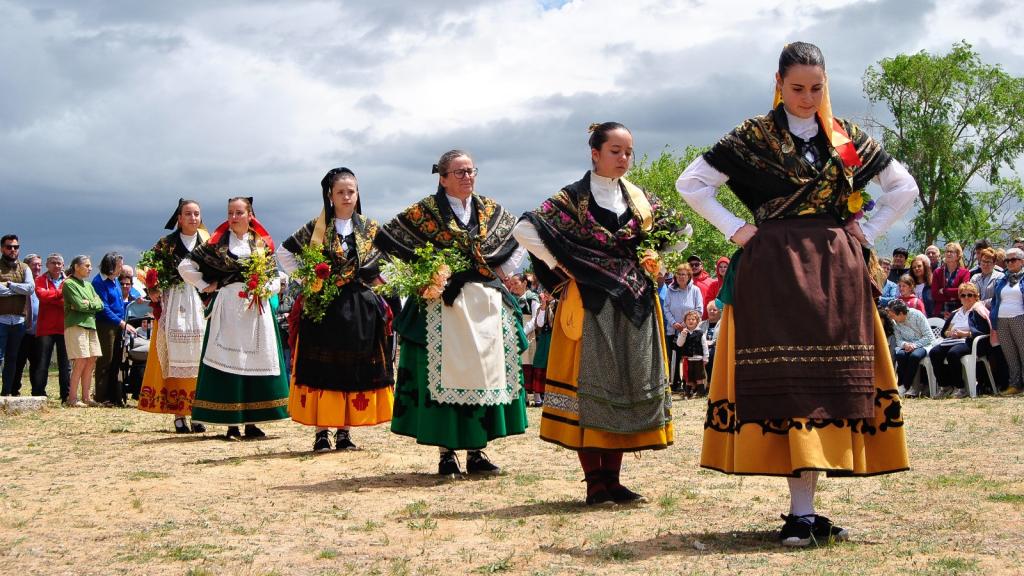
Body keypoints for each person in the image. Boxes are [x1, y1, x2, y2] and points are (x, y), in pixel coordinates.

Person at [676, 42, 916, 546]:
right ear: (779, 84)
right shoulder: (753, 135)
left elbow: (904, 187)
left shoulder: (843, 138)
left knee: (832, 380)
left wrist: (867, 233)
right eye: (797, 88)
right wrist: (737, 230)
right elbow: (691, 183)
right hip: (775, 268)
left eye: (816, 88)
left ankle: (806, 510)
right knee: (787, 379)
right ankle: (801, 511)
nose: (808, 97)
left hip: (838, 269)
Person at [514, 122, 681, 504]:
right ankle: (594, 482)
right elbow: (525, 228)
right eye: (615, 151)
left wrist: (651, 255)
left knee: (623, 382)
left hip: (634, 303)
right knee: (591, 385)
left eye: (628, 152)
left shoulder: (639, 199)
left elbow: (679, 231)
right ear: (595, 153)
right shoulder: (572, 198)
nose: (623, 158)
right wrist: (570, 264)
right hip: (589, 304)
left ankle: (614, 480)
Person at [375, 150, 527, 475]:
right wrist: (418, 281)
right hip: (441, 306)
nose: (468, 177)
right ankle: (446, 453)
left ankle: (476, 450)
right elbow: (386, 242)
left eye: (471, 171)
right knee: (441, 378)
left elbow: (517, 240)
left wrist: (505, 275)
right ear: (442, 178)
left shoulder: (489, 210)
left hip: (483, 304)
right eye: (459, 172)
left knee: (482, 376)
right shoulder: (424, 213)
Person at [278, 168, 394, 452]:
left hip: (359, 307)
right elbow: (284, 252)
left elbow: (390, 262)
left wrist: (377, 284)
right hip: (324, 307)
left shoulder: (370, 228)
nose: (346, 196)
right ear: (330, 195)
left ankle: (344, 431)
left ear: (357, 194)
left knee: (352, 366)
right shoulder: (316, 229)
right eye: (340, 192)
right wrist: (308, 278)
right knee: (321, 366)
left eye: (351, 191)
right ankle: (321, 431)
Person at [178, 197, 290, 440]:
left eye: (239, 212)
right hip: (229, 306)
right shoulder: (217, 243)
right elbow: (185, 267)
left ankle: (252, 422)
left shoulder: (260, 244)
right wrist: (206, 285)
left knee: (255, 362)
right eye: (230, 212)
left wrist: (265, 289)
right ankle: (231, 423)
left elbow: (273, 275)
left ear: (250, 215)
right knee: (230, 360)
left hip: (256, 309)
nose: (234, 217)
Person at [137, 199, 210, 433]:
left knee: (201, 357)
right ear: (179, 218)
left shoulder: (208, 243)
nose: (193, 218)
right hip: (174, 301)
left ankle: (198, 412)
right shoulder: (166, 244)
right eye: (188, 214)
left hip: (200, 302)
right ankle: (179, 413)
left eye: (196, 214)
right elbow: (148, 267)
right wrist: (153, 287)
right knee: (174, 356)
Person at [928, 282, 992, 398]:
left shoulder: (978, 311)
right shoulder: (956, 313)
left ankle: (960, 387)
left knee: (953, 353)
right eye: (963, 295)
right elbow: (945, 332)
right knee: (934, 353)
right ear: (960, 298)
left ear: (976, 297)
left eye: (970, 295)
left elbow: (984, 331)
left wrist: (965, 333)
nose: (966, 298)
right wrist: (950, 333)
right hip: (953, 340)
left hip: (970, 340)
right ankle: (945, 386)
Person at [91, 252, 135, 406]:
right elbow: (104, 307)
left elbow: (118, 302)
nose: (121, 268)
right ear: (111, 266)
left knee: (116, 361)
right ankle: (102, 396)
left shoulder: (115, 281)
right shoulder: (99, 282)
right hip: (106, 325)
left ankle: (114, 395)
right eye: (119, 266)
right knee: (106, 361)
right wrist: (121, 323)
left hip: (117, 323)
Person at [63, 255, 104, 406]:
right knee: (80, 361)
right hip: (76, 324)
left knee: (91, 359)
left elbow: (101, 305)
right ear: (76, 267)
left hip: (90, 325)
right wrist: (89, 304)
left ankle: (86, 397)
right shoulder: (69, 284)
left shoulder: (89, 286)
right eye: (86, 265)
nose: (90, 268)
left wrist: (89, 304)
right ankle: (72, 399)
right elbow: (79, 305)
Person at [34, 253, 71, 402]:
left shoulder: (69, 281)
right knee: (42, 363)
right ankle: (38, 394)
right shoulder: (40, 280)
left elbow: (68, 301)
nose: (56, 266)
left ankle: (66, 395)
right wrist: (61, 294)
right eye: (53, 263)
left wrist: (52, 297)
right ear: (47, 265)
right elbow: (41, 297)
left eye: (59, 263)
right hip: (45, 328)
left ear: (63, 265)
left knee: (65, 365)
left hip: (64, 327)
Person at [662, 263, 703, 392]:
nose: (681, 277)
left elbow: (699, 309)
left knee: (688, 357)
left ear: (689, 276)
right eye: (678, 274)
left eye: (683, 274)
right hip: (673, 329)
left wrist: (686, 324)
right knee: (674, 356)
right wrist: (674, 323)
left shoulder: (695, 290)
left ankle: (690, 383)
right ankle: (674, 383)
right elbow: (666, 308)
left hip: (690, 330)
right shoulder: (670, 289)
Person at [0, 235, 32, 396]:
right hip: (1, 319)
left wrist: (10, 285)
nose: (13, 250)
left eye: (16, 247)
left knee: (13, 359)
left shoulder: (25, 267)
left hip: (18, 321)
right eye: (9, 247)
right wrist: (19, 289)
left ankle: (5, 393)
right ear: (2, 248)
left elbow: (30, 289)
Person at [991, 247, 1024, 395]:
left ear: (1022, 261)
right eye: (1007, 260)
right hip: (1002, 320)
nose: (1010, 263)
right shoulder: (1002, 279)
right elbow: (995, 300)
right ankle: (1015, 385)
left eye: (1013, 259)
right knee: (1010, 354)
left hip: (1019, 318)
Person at [886, 299, 936, 398]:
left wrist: (914, 345)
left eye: (893, 315)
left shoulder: (917, 315)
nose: (892, 318)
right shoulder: (895, 322)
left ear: (900, 313)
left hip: (924, 344)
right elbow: (898, 340)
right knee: (900, 355)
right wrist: (905, 345)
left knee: (914, 356)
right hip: (907, 346)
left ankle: (906, 385)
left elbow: (929, 336)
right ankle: (910, 387)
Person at [507, 274, 542, 406]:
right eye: (512, 284)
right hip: (516, 334)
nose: (513, 286)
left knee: (532, 363)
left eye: (516, 283)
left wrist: (523, 331)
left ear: (524, 283)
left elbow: (535, 317)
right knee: (520, 364)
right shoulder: (511, 298)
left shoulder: (532, 297)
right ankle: (525, 397)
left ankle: (537, 397)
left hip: (529, 334)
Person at [11, 254, 41, 395]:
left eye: (39, 265)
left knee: (37, 364)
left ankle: (37, 391)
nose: (37, 267)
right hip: (22, 330)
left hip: (38, 331)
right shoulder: (22, 284)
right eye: (34, 264)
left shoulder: (42, 283)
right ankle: (13, 389)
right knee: (18, 362)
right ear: (27, 266)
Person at [527, 291, 555, 407]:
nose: (547, 295)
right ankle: (538, 398)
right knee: (539, 364)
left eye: (549, 293)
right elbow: (539, 324)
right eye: (546, 292)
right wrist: (543, 308)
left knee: (552, 366)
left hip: (554, 338)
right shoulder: (542, 307)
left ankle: (551, 396)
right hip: (544, 339)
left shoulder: (558, 304)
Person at [932, 242, 970, 319]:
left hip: (958, 312)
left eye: (951, 252)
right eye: (947, 251)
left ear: (958, 255)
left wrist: (944, 291)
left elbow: (963, 292)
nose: (948, 253)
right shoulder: (937, 272)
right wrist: (952, 297)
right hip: (940, 312)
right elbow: (935, 294)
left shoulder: (965, 273)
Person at [676, 309, 708, 397]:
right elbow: (679, 344)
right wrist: (683, 335)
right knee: (688, 377)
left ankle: (701, 392)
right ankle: (688, 393)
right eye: (688, 319)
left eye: (693, 319)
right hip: (688, 359)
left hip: (699, 359)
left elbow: (704, 346)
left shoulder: (701, 333)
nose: (690, 321)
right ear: (685, 321)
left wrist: (706, 357)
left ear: (697, 321)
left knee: (699, 377)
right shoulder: (683, 332)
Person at [698, 299, 721, 380]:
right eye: (709, 310)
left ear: (720, 312)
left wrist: (711, 343)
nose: (711, 311)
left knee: (711, 354)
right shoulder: (701, 324)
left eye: (714, 310)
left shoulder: (723, 324)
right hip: (702, 347)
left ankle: (710, 381)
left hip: (716, 348)